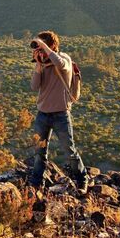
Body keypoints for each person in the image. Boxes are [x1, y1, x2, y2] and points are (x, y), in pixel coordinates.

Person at [28, 30, 88, 194]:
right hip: (42, 114)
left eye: (44, 46)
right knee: (40, 152)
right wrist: (39, 66)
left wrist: (45, 48)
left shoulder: (65, 59)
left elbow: (60, 63)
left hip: (61, 114)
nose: (41, 50)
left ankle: (82, 179)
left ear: (52, 45)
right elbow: (34, 87)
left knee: (69, 150)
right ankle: (36, 183)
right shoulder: (43, 63)